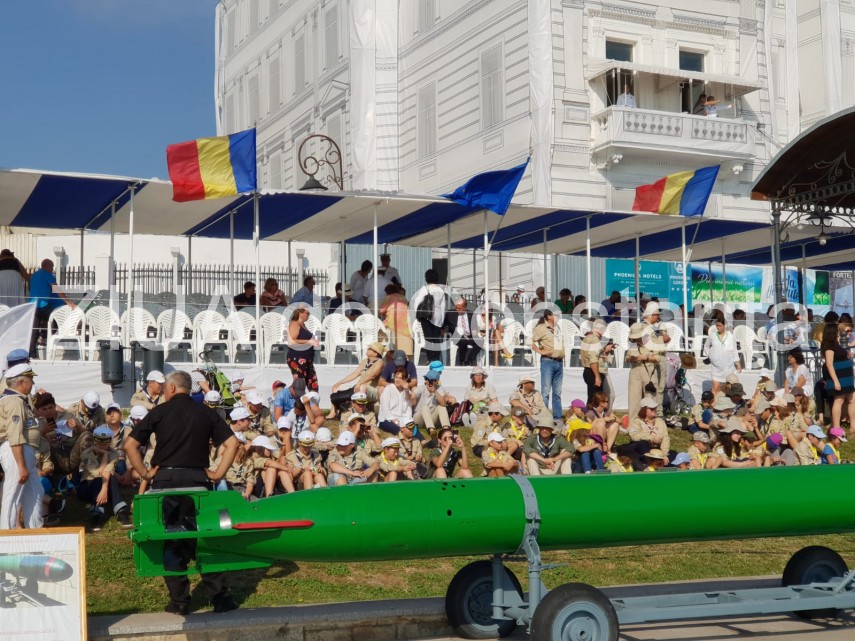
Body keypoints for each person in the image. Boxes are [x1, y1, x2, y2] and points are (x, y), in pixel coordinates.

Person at [124, 370, 240, 615]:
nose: (164, 392)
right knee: (206, 540)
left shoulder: (158, 412)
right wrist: (218, 473)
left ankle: (179, 602)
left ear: (173, 389)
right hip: (199, 482)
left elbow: (130, 445)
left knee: (172, 543)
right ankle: (220, 599)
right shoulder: (207, 412)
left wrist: (145, 473)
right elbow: (233, 443)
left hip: (166, 484)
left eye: (165, 388)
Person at [0, 364, 42, 529]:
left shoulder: (21, 401)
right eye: (30, 379)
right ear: (21, 382)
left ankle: (35, 532)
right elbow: (14, 435)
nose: (32, 383)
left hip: (25, 452)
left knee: (36, 492)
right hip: (16, 451)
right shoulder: (14, 401)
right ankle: (5, 539)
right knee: (12, 494)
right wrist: (21, 465)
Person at [77, 425, 132, 531]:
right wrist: (105, 455)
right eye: (99, 442)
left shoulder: (114, 453)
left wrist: (104, 489)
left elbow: (107, 471)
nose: (102, 445)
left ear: (110, 441)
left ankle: (120, 511)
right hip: (87, 487)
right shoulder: (86, 453)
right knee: (101, 479)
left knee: (111, 477)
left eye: (105, 442)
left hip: (105, 489)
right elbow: (99, 473)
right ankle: (96, 513)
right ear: (94, 441)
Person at [28, 258, 76, 358]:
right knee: (57, 318)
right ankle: (54, 339)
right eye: (52, 266)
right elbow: (56, 289)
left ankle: (32, 353)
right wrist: (69, 302)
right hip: (43, 305)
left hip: (32, 306)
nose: (52, 269)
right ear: (47, 266)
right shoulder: (47, 274)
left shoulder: (34, 275)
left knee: (34, 329)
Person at [328, 341, 386, 419]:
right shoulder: (365, 361)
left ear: (375, 353)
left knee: (362, 386)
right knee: (336, 387)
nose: (368, 349)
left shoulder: (380, 362)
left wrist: (359, 383)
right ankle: (333, 413)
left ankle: (360, 414)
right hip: (360, 386)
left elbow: (372, 376)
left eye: (370, 349)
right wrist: (340, 382)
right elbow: (355, 374)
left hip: (373, 389)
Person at [531, 310, 564, 421]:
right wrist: (541, 352)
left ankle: (557, 416)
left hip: (559, 361)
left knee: (557, 392)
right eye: (556, 315)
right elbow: (530, 341)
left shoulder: (557, 327)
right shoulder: (541, 328)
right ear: (549, 316)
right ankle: (543, 416)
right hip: (548, 361)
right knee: (545, 391)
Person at [821, 323, 854, 433]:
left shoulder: (836, 344)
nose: (840, 332)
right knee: (839, 400)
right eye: (838, 330)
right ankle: (836, 426)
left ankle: (853, 426)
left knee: (852, 399)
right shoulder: (829, 346)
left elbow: (840, 355)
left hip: (846, 377)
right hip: (839, 378)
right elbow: (829, 364)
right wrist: (836, 381)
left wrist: (848, 356)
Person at [412, 269, 447, 363]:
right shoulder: (440, 290)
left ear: (426, 278)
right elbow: (443, 306)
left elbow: (417, 302)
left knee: (428, 339)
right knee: (436, 339)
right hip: (438, 317)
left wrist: (418, 314)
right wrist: (442, 320)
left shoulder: (425, 289)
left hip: (426, 316)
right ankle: (436, 358)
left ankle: (430, 358)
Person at [702, 317, 741, 400]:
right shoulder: (712, 336)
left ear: (724, 326)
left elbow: (734, 350)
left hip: (728, 366)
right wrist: (710, 356)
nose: (718, 327)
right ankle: (713, 406)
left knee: (728, 388)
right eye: (717, 325)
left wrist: (738, 363)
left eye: (720, 325)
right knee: (715, 387)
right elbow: (706, 346)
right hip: (715, 366)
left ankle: (726, 406)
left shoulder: (731, 336)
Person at [580, 319, 615, 405]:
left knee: (593, 398)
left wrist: (605, 350)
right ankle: (591, 417)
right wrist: (597, 376)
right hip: (593, 371)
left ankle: (591, 416)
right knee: (595, 400)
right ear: (601, 328)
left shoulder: (588, 337)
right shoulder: (594, 339)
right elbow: (593, 360)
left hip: (588, 370)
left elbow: (592, 354)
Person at [412, 370, 454, 440]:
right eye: (426, 379)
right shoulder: (421, 388)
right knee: (425, 406)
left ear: (435, 382)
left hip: (431, 418)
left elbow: (443, 404)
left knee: (441, 406)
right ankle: (431, 430)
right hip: (419, 419)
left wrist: (434, 391)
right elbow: (413, 395)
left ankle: (446, 429)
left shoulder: (439, 389)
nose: (427, 381)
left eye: (430, 380)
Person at [287, 305, 321, 392]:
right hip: (298, 358)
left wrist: (312, 342)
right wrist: (308, 342)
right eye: (307, 313)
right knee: (299, 386)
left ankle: (313, 403)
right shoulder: (294, 323)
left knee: (313, 385)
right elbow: (292, 342)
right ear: (300, 313)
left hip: (307, 358)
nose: (308, 315)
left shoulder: (303, 325)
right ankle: (289, 399)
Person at [379, 283, 412, 357]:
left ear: (387, 292)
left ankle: (385, 351)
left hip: (392, 323)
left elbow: (381, 310)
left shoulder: (389, 297)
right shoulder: (403, 297)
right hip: (405, 323)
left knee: (379, 329)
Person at [378, 368, 415, 435]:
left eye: (400, 378)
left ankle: (423, 441)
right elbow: (385, 408)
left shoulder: (407, 391)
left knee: (413, 428)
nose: (397, 380)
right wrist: (393, 419)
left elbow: (408, 409)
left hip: (401, 419)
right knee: (400, 430)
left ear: (405, 380)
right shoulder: (388, 389)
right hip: (386, 420)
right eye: (396, 377)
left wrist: (408, 420)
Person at [445, 298, 481, 366]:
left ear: (465, 307)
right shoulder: (450, 313)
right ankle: (462, 361)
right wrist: (446, 329)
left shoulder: (471, 314)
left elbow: (474, 326)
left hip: (470, 335)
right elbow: (445, 325)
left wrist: (475, 330)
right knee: (463, 341)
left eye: (459, 308)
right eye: (456, 308)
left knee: (480, 342)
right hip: (457, 336)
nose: (457, 309)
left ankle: (469, 360)